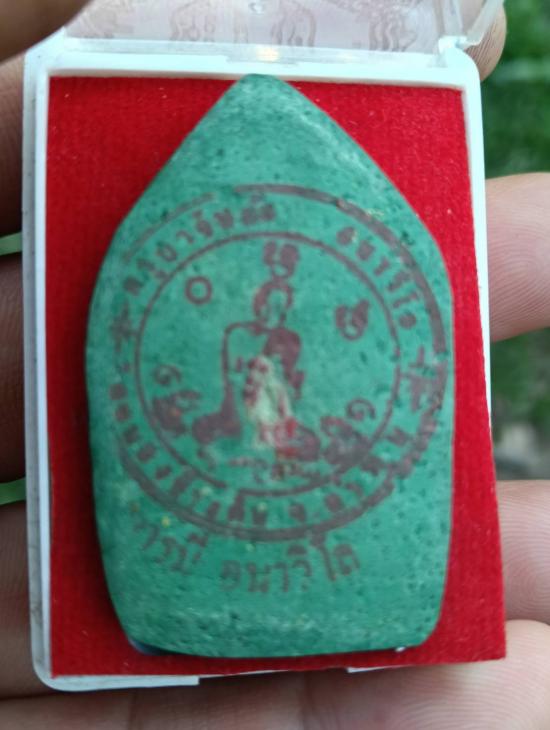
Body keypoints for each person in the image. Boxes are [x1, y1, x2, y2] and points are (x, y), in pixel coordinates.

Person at [1, 2, 550, 727]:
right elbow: (240, 381)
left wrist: (278, 390)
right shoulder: (237, 332)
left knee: (286, 436)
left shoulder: (290, 338)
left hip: (289, 442)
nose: (270, 306)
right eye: (264, 298)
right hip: (231, 449)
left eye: (279, 300)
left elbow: (290, 386)